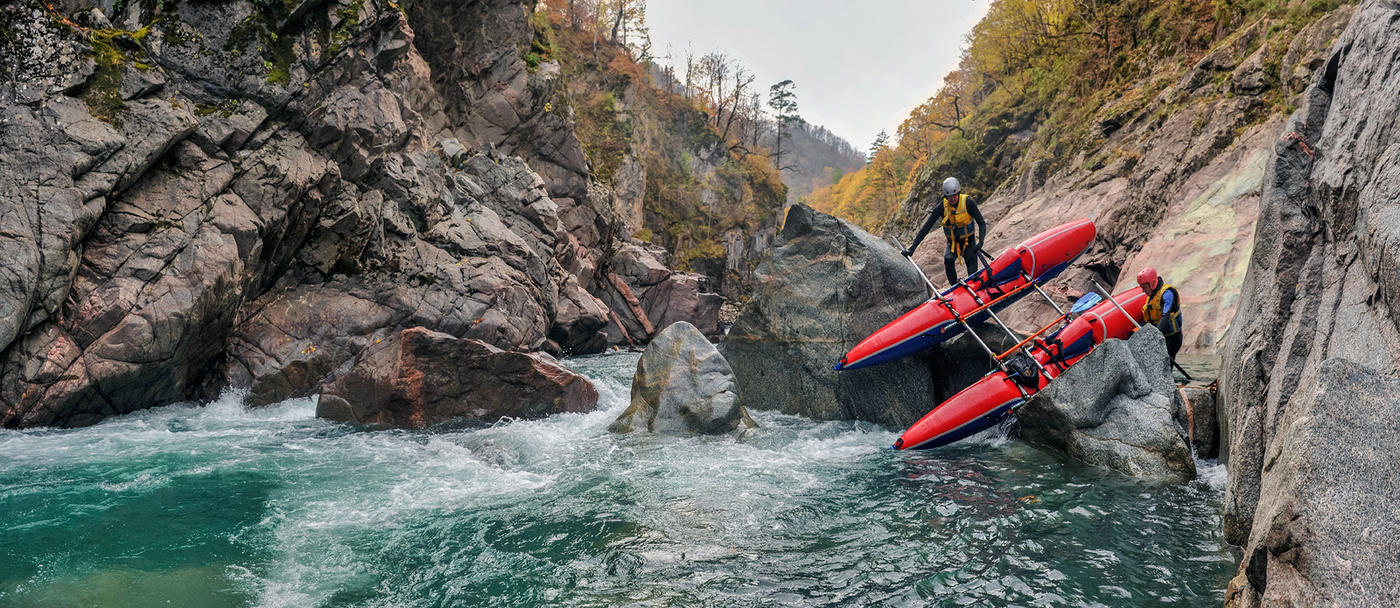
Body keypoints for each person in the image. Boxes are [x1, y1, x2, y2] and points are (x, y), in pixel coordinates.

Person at [904, 177, 987, 285]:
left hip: (968, 242)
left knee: (972, 274)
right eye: (949, 197)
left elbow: (981, 223)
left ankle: (975, 284)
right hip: (953, 243)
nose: (952, 199)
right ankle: (954, 287)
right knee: (948, 259)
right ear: (945, 196)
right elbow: (926, 228)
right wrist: (911, 249)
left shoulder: (968, 202)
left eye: (954, 195)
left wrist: (980, 242)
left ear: (958, 193)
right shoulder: (942, 207)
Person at [1137, 267, 1184, 360]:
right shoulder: (1151, 296)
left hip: (1172, 339)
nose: (1143, 291)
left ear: (1153, 283)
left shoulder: (1167, 294)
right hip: (1161, 336)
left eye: (1144, 287)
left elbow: (1165, 317)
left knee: (1165, 365)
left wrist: (1153, 336)